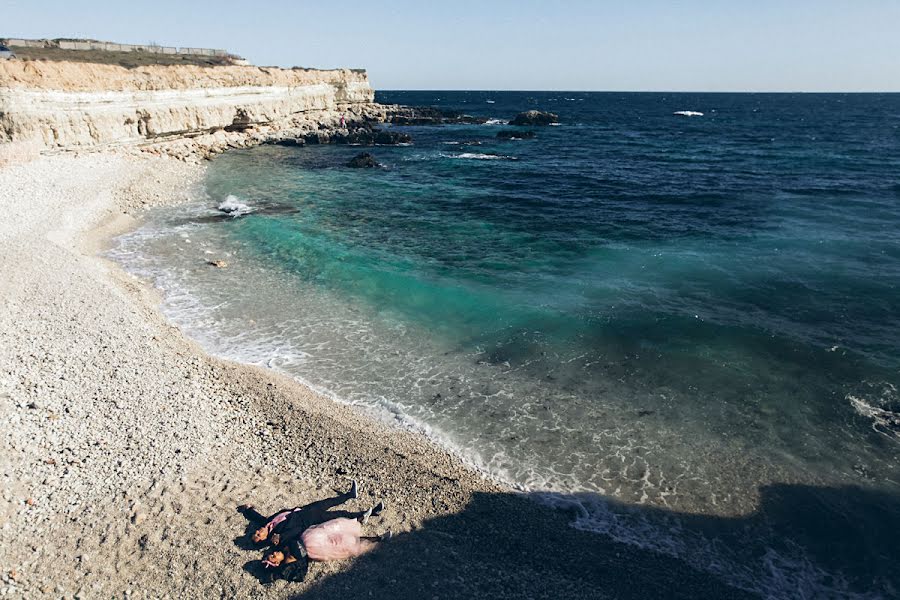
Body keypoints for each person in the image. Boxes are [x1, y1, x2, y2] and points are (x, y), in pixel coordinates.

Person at [238, 481, 389, 583]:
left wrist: (247, 510)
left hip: (306, 519)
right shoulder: (282, 547)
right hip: (313, 534)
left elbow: (258, 518)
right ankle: (375, 530)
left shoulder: (269, 527)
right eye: (258, 535)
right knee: (346, 535)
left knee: (335, 515)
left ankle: (357, 505)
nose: (258, 531)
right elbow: (293, 571)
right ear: (276, 563)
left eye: (256, 532)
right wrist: (272, 572)